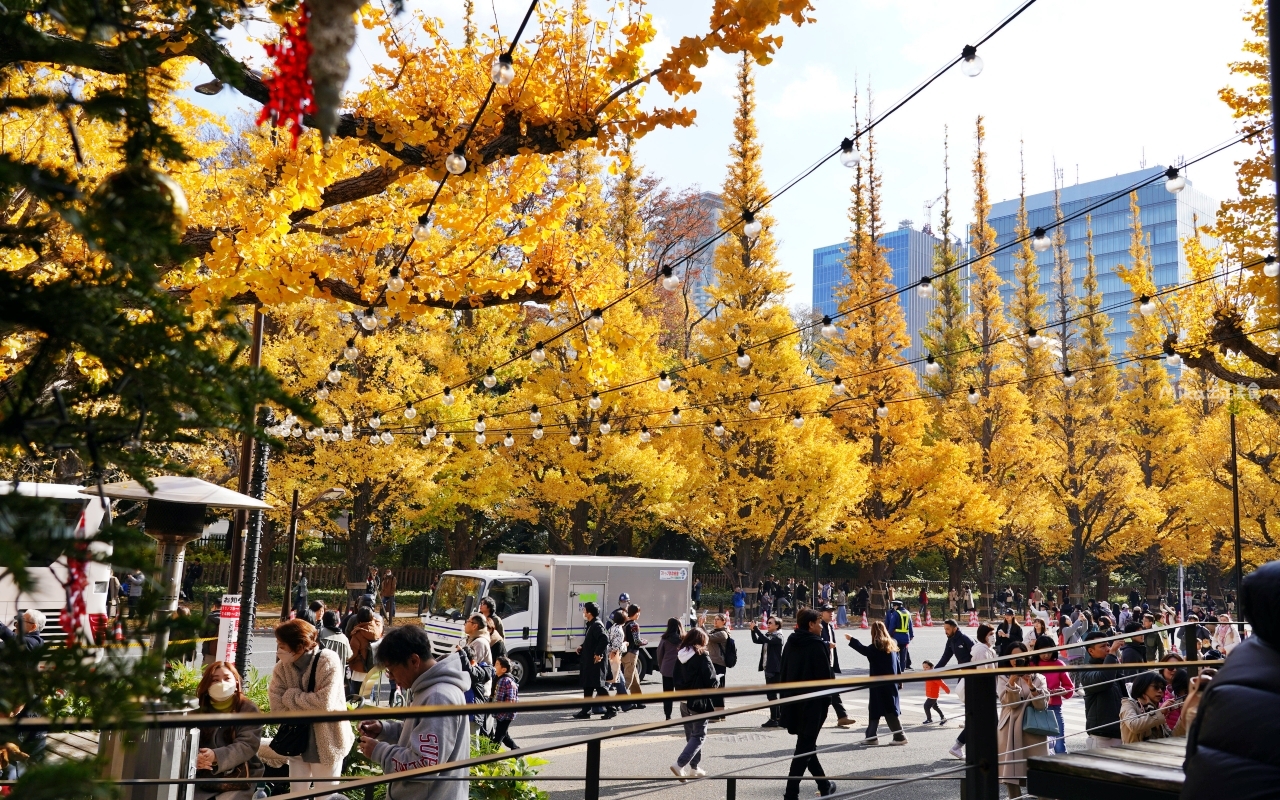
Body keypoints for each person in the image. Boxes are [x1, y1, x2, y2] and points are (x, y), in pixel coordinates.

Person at [357, 626, 469, 800]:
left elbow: (425, 767)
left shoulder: (438, 697)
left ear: (414, 661)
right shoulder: (429, 690)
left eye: (391, 670)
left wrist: (379, 751)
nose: (391, 678)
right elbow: (420, 734)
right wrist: (384, 730)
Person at [269, 618, 353, 794]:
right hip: (295, 741)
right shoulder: (281, 668)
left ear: (299, 646)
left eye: (282, 645)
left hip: (327, 740)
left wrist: (290, 695)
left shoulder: (327, 660)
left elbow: (324, 704)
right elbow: (277, 708)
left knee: (325, 796)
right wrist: (309, 700)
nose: (279, 650)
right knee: (297, 794)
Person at [780, 609, 836, 800]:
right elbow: (825, 677)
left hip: (793, 701)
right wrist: (828, 702)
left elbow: (784, 671)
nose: (821, 626)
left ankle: (824, 784)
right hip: (813, 704)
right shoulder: (816, 645)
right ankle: (791, 792)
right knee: (804, 746)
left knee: (806, 744)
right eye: (819, 622)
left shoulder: (791, 642)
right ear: (811, 624)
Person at [193, 661, 263, 800]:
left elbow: (247, 745)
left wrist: (216, 756)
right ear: (207, 685)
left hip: (239, 776)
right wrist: (195, 758)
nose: (221, 683)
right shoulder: (195, 709)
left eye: (227, 678)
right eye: (215, 680)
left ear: (236, 683)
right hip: (200, 775)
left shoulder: (248, 709)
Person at [997, 642, 1049, 797]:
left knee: (1038, 772)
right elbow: (1009, 703)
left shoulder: (1038, 676)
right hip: (1010, 727)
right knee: (1011, 771)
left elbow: (1042, 705)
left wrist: (1031, 686)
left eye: (1020, 656)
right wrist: (1011, 682)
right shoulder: (1002, 676)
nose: (1016, 660)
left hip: (1033, 728)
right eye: (1013, 657)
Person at [846, 620, 907, 745]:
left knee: (879, 710)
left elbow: (863, 650)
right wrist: (900, 680)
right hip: (891, 683)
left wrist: (852, 639)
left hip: (878, 684)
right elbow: (898, 665)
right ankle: (871, 736)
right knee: (888, 709)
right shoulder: (892, 645)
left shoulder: (875, 647)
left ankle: (899, 737)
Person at [670, 627, 717, 780]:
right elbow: (711, 681)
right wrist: (717, 680)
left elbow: (675, 676)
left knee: (691, 735)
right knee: (699, 735)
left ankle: (694, 768)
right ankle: (680, 764)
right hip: (698, 701)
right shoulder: (702, 656)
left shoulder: (681, 654)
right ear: (701, 641)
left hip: (684, 700)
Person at [948, 624, 997, 760]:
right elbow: (983, 673)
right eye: (990, 634)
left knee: (980, 721)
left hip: (982, 692)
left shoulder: (987, 649)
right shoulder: (981, 650)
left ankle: (960, 746)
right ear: (984, 636)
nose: (993, 637)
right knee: (987, 721)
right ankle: (960, 747)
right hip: (980, 692)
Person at [1079, 631, 1125, 749]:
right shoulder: (1086, 670)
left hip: (1121, 731)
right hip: (1102, 734)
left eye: (1108, 645)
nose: (1108, 649)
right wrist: (1112, 654)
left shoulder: (1112, 663)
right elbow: (1105, 680)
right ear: (1091, 651)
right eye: (1103, 646)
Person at [573, 602, 615, 719]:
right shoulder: (591, 624)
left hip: (596, 662)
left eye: (584, 610)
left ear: (589, 613)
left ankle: (611, 709)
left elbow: (604, 639)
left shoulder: (597, 625)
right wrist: (582, 646)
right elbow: (592, 640)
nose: (583, 612)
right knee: (588, 686)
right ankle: (585, 711)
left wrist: (597, 653)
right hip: (589, 662)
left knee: (599, 686)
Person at [818, 605, 856, 727]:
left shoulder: (830, 626)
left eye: (832, 612)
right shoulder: (819, 626)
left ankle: (842, 716)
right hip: (822, 665)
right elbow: (815, 640)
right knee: (826, 692)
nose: (831, 614)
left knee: (833, 691)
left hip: (830, 664)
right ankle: (841, 716)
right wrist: (826, 643)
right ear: (821, 613)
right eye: (828, 611)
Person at [1036, 636, 1073, 754]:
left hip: (1054, 708)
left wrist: (1063, 691)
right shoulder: (1031, 664)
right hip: (1035, 708)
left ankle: (1063, 770)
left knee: (1059, 744)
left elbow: (1070, 687)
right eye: (1042, 652)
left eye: (1049, 651)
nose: (1046, 655)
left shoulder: (1059, 664)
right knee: (1037, 744)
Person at [750, 616, 785, 727]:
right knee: (771, 694)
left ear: (777, 625)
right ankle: (777, 717)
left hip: (774, 669)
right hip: (768, 668)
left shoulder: (778, 637)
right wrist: (752, 630)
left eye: (770, 623)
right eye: (767, 622)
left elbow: (767, 641)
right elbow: (756, 640)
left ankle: (774, 718)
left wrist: (756, 629)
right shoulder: (769, 635)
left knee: (772, 695)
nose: (768, 624)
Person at [1119, 672, 1171, 743]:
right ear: (1143, 686)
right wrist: (1159, 712)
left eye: (1162, 688)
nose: (1160, 691)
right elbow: (1134, 726)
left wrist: (1183, 716)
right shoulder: (1128, 703)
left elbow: (1171, 736)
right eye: (1156, 687)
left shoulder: (1155, 708)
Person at [347, 606, 384, 698]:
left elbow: (352, 654)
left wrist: (346, 660)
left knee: (356, 697)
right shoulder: (378, 628)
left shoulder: (358, 634)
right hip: (374, 667)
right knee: (369, 694)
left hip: (360, 669)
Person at [700, 613, 730, 719]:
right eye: (715, 619)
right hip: (713, 662)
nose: (715, 621)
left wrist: (702, 626)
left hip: (719, 663)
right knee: (714, 687)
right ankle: (718, 714)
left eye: (718, 619)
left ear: (723, 622)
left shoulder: (723, 633)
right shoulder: (715, 631)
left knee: (718, 688)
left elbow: (708, 638)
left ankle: (719, 714)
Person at [487, 656, 519, 750]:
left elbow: (511, 700)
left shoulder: (507, 681)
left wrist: (502, 713)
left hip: (506, 715)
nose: (494, 666)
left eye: (497, 664)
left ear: (504, 669)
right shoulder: (499, 678)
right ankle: (517, 751)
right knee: (504, 736)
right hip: (500, 714)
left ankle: (491, 757)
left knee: (498, 738)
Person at [655, 618, 684, 720]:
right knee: (683, 693)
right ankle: (685, 714)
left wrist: (661, 665)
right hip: (681, 669)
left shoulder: (665, 639)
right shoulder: (684, 639)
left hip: (667, 669)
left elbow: (659, 654)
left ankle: (668, 716)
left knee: (667, 694)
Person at [621, 604, 646, 707]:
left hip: (625, 654)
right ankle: (619, 702)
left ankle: (638, 701)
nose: (639, 614)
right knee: (628, 679)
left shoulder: (624, 623)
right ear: (635, 613)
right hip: (632, 654)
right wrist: (645, 641)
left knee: (635, 679)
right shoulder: (634, 625)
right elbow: (637, 641)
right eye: (638, 612)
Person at [885, 600, 914, 670]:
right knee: (903, 655)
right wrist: (911, 635)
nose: (893, 607)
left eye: (894, 606)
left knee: (896, 654)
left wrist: (888, 635)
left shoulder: (896, 613)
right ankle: (902, 669)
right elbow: (910, 625)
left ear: (896, 606)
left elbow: (892, 626)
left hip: (896, 637)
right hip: (906, 637)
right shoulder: (908, 613)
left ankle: (897, 670)